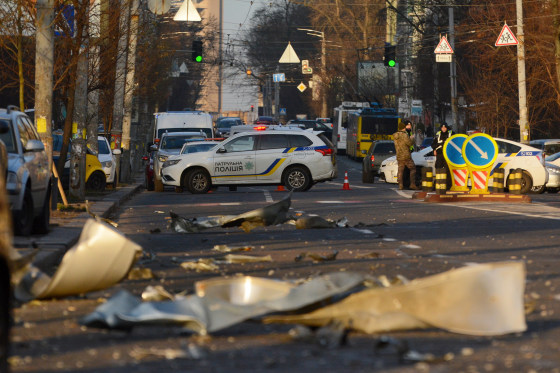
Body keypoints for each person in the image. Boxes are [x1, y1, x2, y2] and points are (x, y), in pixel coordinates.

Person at [393, 120, 419, 190]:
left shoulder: (395, 135)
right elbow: (409, 143)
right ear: (403, 127)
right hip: (406, 155)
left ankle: (400, 185)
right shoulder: (404, 135)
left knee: (400, 170)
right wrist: (412, 138)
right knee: (413, 168)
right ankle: (412, 184)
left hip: (399, 155)